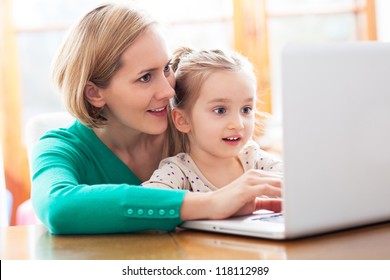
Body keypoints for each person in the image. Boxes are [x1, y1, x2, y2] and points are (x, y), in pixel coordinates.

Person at [31, 3, 282, 235]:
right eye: (145, 78)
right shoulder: (61, 148)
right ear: (95, 92)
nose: (168, 91)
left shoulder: (190, 125)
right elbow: (58, 207)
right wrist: (211, 203)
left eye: (166, 68)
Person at [142, 48, 283, 192]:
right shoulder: (179, 172)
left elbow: (298, 181)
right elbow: (143, 201)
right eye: (220, 110)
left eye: (246, 109)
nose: (238, 124)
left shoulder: (254, 159)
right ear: (183, 120)